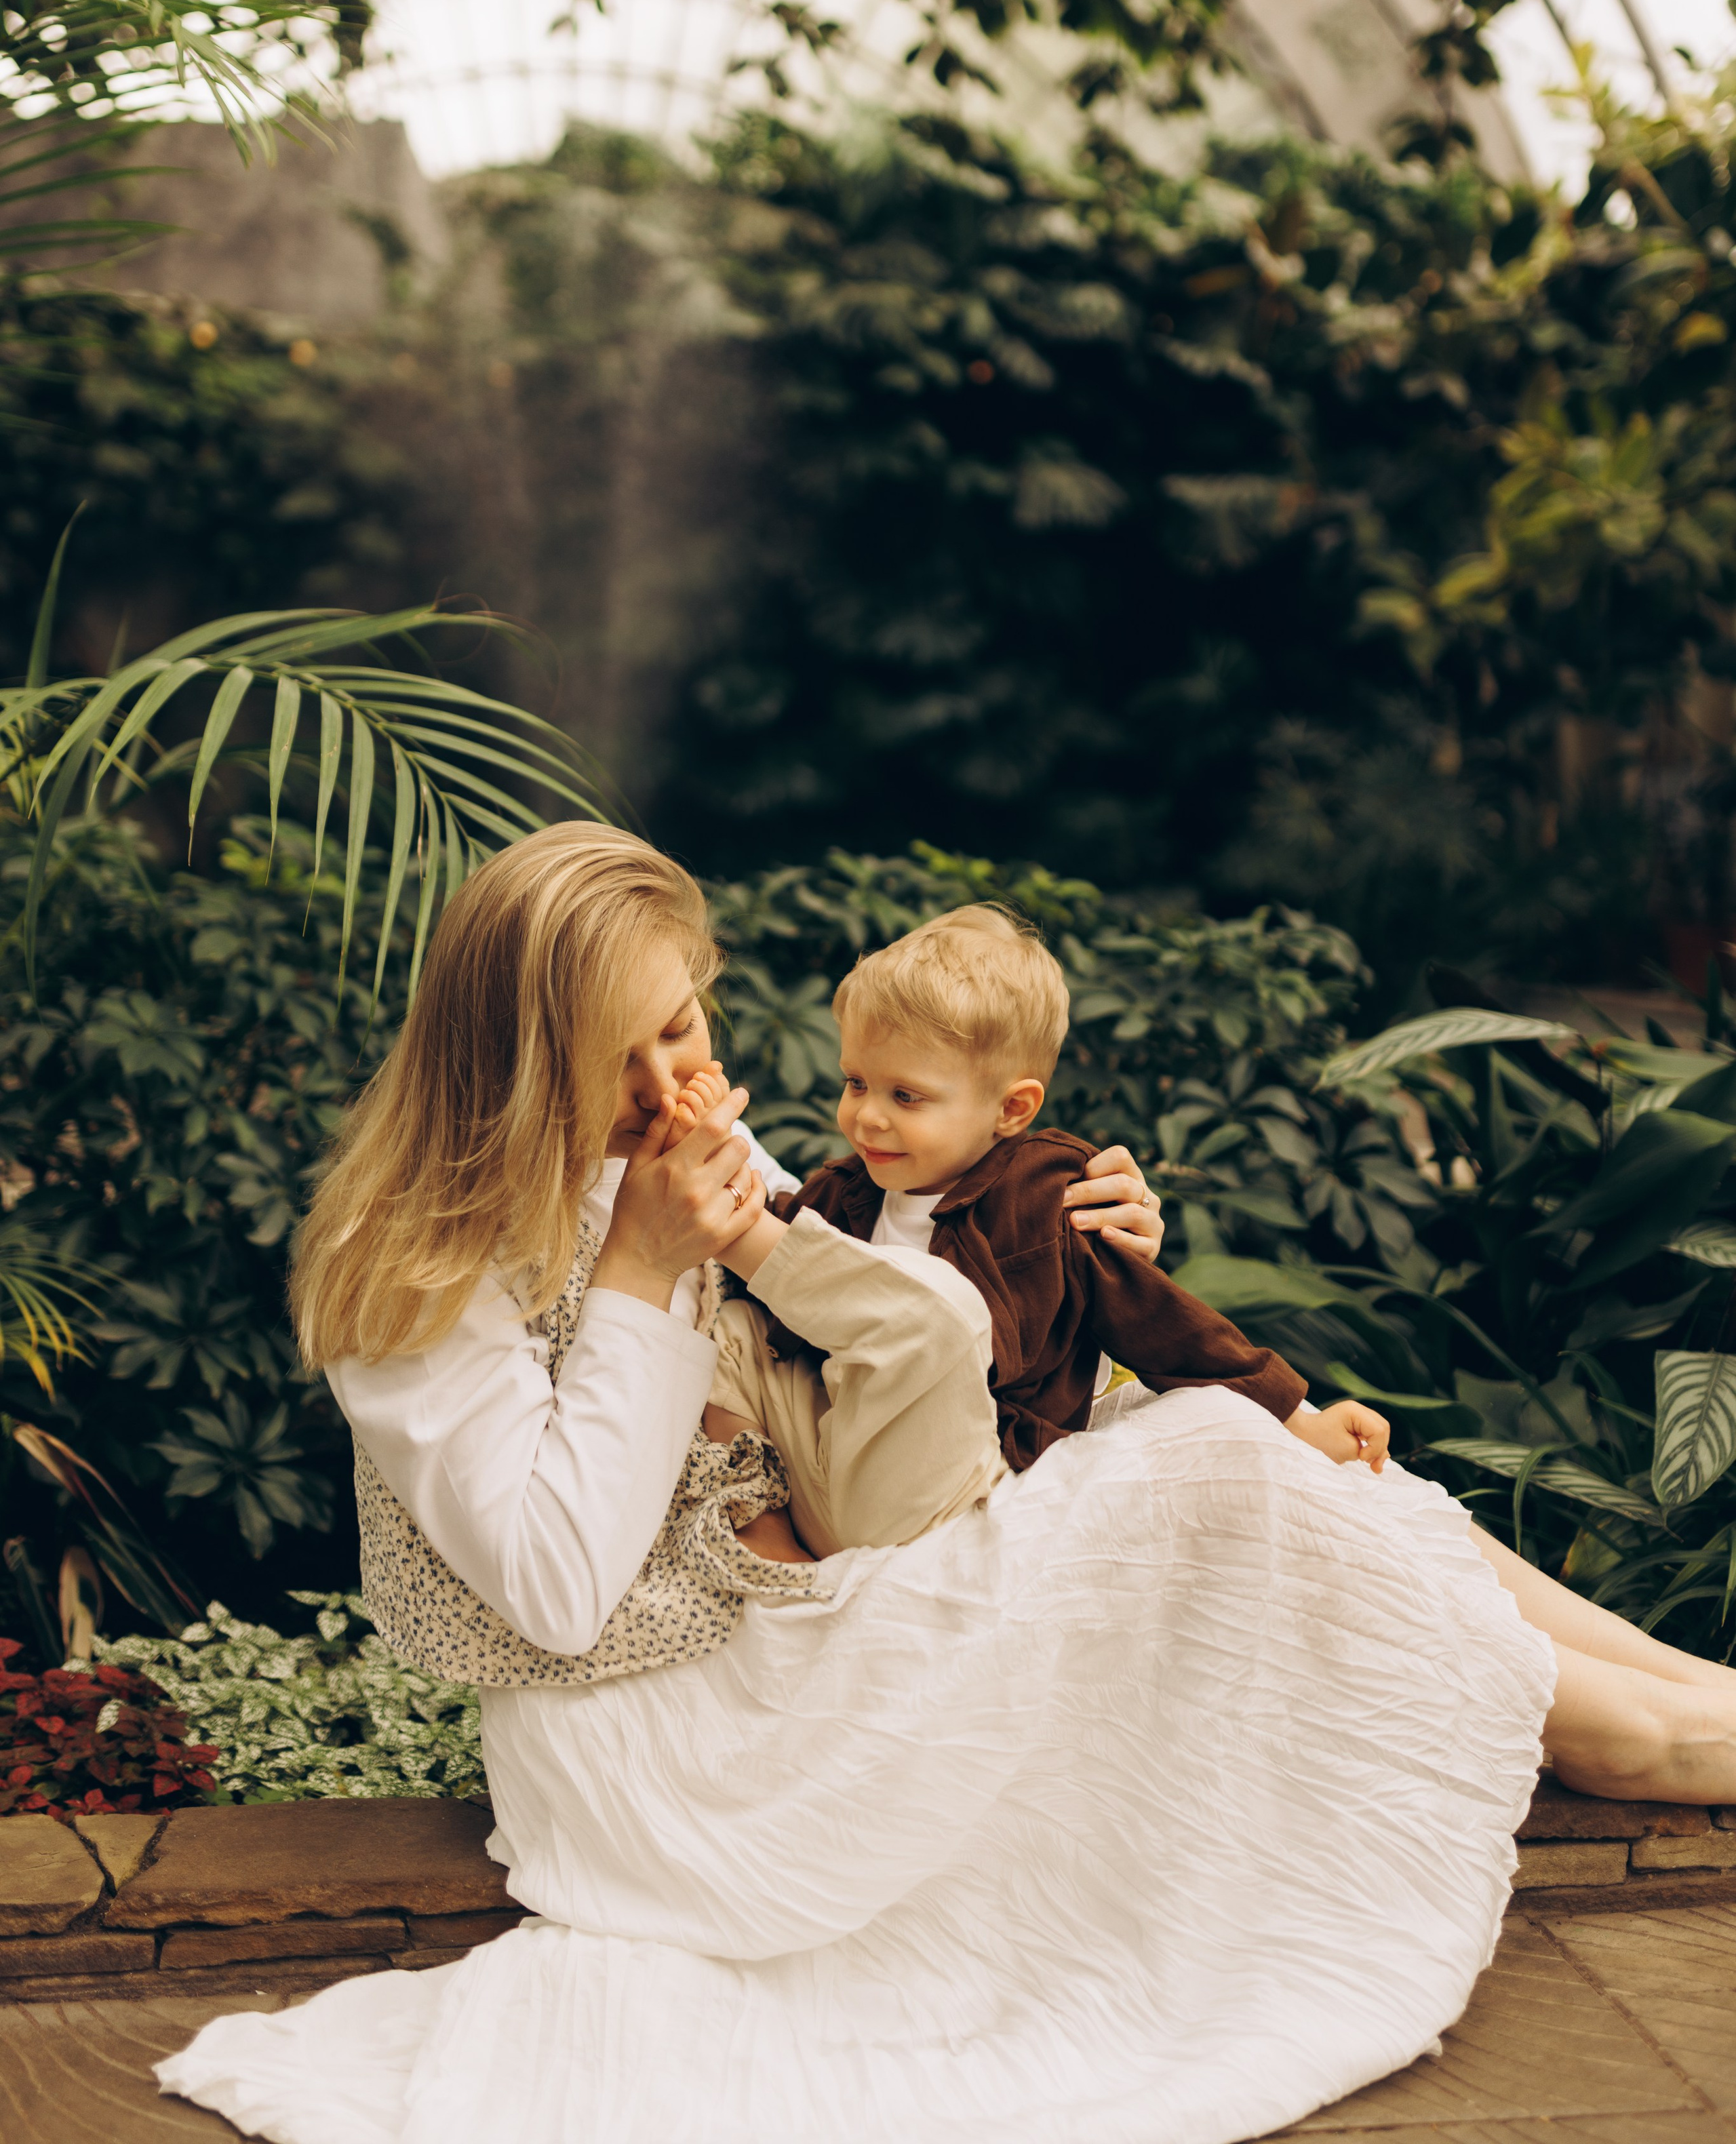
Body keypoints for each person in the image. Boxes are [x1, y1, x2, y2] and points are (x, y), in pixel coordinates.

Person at [157, 825, 1736, 2144]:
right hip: (674, 1748)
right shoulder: (414, 1273)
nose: (666, 1084)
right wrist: (641, 1271)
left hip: (835, 1608)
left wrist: (1080, 1249)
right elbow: (557, 1591)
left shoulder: (679, 1156)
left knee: (1226, 1445)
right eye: (614, 1058)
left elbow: (903, 1304)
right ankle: (1631, 1732)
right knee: (1213, 1460)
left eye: (683, 1030)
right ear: (513, 1067)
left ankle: (1665, 1690)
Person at [696, 905, 1391, 1564]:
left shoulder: (1046, 1197)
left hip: (946, 1484)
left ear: (1012, 1108)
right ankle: (760, 1518)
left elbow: (1161, 1322)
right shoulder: (846, 1191)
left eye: (905, 1096)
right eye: (856, 1083)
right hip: (834, 1470)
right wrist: (709, 1159)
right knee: (731, 1328)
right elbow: (784, 1251)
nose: (868, 1117)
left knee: (933, 1312)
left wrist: (1298, 1419)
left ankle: (817, 1534)